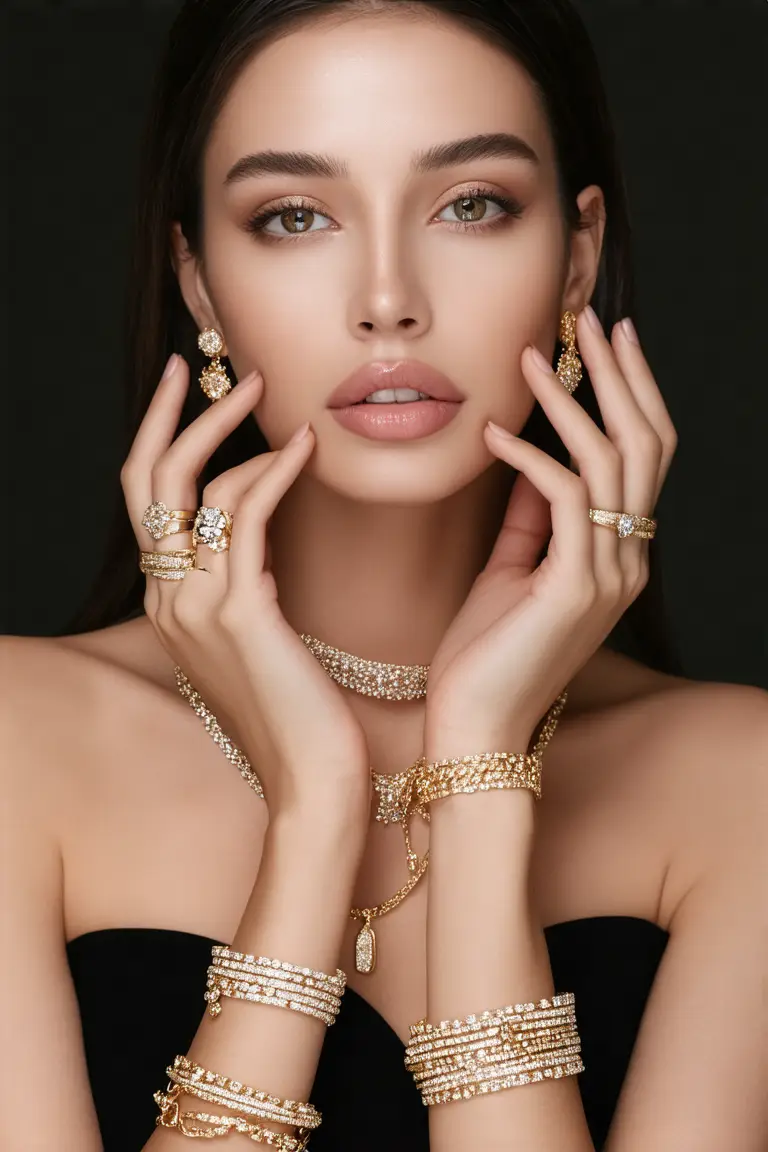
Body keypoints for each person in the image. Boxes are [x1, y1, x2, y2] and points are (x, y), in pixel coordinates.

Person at [2, 1, 766, 1149]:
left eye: (472, 205)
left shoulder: (740, 785)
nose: (387, 297)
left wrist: (480, 772)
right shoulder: (17, 741)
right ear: (199, 282)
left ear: (578, 258)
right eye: (295, 215)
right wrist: (314, 816)